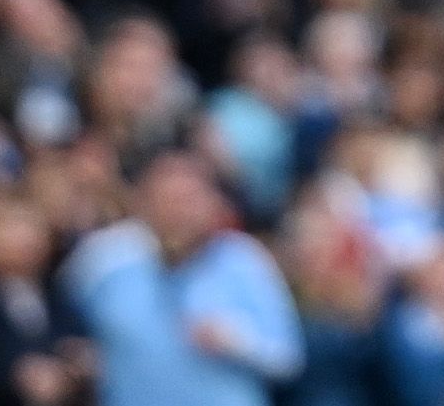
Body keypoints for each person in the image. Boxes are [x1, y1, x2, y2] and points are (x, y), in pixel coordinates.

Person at [64, 159, 297, 406]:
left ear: (213, 204)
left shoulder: (243, 260)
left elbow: (287, 359)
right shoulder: (107, 261)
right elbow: (63, 326)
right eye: (167, 201)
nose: (178, 213)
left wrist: (236, 341)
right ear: (143, 205)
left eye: (189, 200)